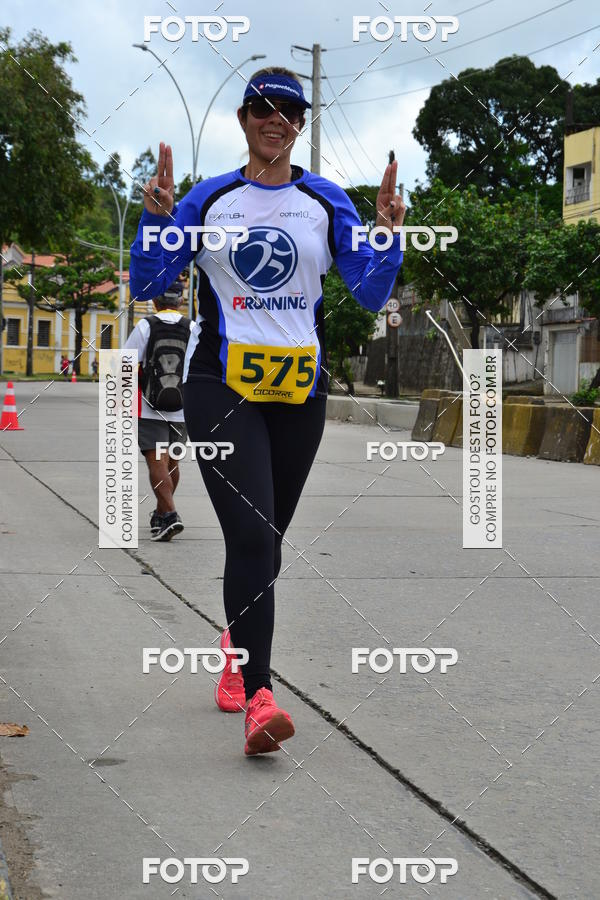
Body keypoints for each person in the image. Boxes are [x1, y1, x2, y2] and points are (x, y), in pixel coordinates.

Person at [129, 66, 405, 755]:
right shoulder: (210, 198)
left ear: (300, 123)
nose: (275, 117)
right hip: (220, 385)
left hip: (299, 392)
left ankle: (235, 642)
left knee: (268, 542)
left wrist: (389, 233)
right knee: (253, 538)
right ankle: (260, 699)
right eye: (262, 107)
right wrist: (158, 223)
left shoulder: (324, 200)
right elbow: (151, 281)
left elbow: (368, 294)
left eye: (289, 109)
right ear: (244, 118)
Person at [125, 280, 194, 541]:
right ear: (181, 301)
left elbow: (125, 364)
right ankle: (161, 513)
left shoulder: (145, 326)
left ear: (155, 301)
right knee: (171, 462)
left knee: (157, 461)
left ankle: (170, 514)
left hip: (150, 405)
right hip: (183, 408)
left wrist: (125, 404)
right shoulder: (193, 328)